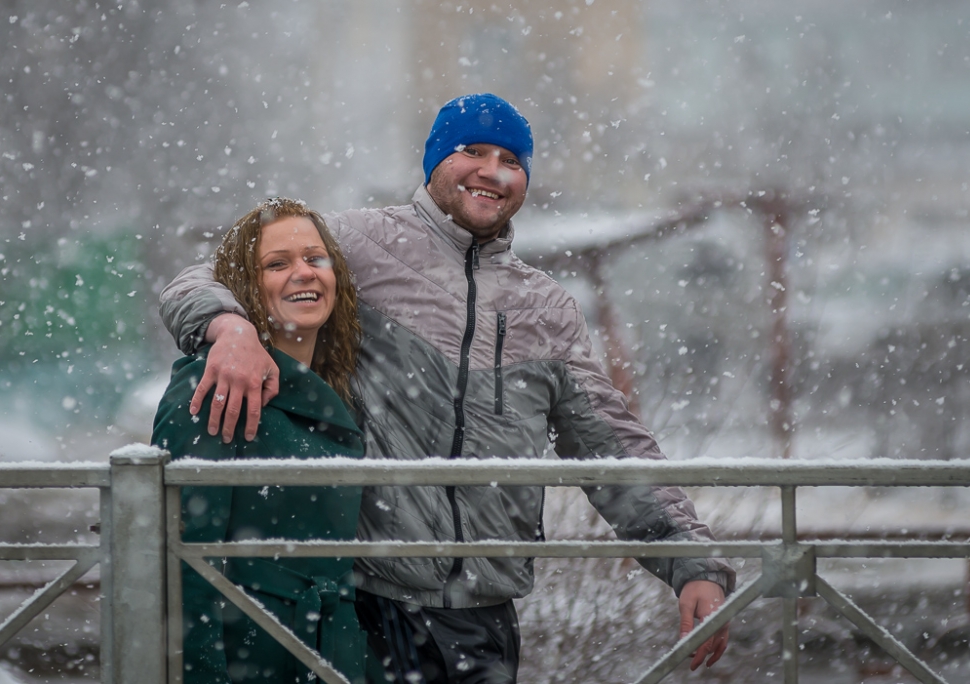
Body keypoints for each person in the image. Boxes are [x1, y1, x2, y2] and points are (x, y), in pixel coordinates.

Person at [160, 93, 736, 683]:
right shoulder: (357, 245)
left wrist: (691, 561)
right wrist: (228, 326)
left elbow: (610, 445)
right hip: (363, 604)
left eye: (510, 161)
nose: (492, 171)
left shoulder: (547, 309)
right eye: (473, 151)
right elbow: (206, 275)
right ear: (436, 160)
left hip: (483, 617)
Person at [151, 198, 367, 683]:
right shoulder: (213, 382)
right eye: (277, 264)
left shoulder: (338, 383)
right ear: (245, 284)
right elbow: (180, 563)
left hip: (326, 652)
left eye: (315, 258)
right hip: (252, 655)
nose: (304, 273)